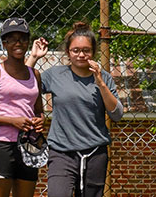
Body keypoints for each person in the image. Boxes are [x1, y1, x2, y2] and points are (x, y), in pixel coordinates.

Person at [32, 22, 123, 197]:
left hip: (95, 151)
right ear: (68, 52)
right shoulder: (55, 75)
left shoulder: (104, 77)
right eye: (76, 50)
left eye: (86, 50)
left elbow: (117, 114)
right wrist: (33, 58)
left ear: (93, 52)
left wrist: (101, 84)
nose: (81, 55)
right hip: (61, 151)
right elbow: (25, 87)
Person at [0, 17, 46, 197]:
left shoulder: (35, 74)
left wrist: (40, 120)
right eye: (12, 39)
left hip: (29, 144)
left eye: (23, 38)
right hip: (1, 145)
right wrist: (11, 121)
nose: (18, 43)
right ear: (4, 43)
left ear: (28, 42)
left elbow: (38, 109)